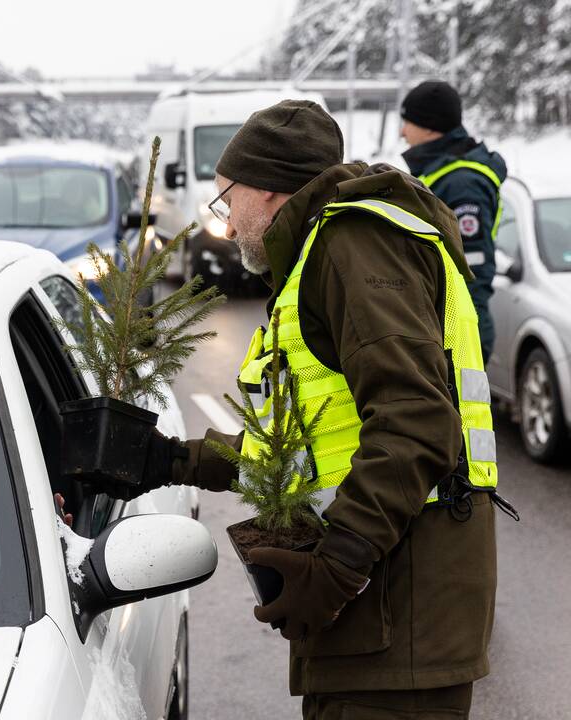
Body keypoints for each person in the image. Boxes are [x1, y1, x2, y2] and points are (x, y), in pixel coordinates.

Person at [126, 100, 507, 718]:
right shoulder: (314, 257)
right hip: (374, 615)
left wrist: (337, 568)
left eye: (228, 199)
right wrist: (173, 458)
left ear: (271, 191)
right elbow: (301, 450)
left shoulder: (352, 245)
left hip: (397, 610)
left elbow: (415, 418)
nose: (227, 219)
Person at [400, 80, 507, 364]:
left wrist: (455, 342)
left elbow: (471, 269)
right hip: (442, 324)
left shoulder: (462, 184)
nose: (402, 132)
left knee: (466, 409)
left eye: (407, 122)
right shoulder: (441, 173)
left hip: (457, 332)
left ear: (430, 126)